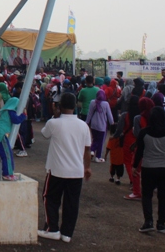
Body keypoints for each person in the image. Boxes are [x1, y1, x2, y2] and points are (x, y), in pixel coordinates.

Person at [38, 92, 92, 243]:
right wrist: (87, 168)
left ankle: (52, 228)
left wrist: (55, 115)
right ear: (75, 106)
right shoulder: (83, 125)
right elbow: (87, 150)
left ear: (58, 106)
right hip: (76, 170)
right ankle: (67, 233)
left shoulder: (54, 123)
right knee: (72, 203)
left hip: (56, 169)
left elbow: (44, 134)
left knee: (50, 198)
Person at [132, 106, 165, 233]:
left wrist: (134, 166)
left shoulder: (144, 132)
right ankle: (161, 224)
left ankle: (148, 222)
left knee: (147, 195)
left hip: (148, 167)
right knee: (163, 196)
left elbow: (139, 152)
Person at [0, 97, 26, 181]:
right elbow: (16, 120)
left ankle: (7, 173)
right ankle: (7, 174)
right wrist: (23, 115)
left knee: (5, 154)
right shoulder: (11, 111)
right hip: (1, 133)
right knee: (7, 155)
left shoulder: (4, 111)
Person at [86, 90, 114, 163]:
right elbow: (109, 114)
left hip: (93, 125)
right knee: (100, 141)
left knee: (95, 139)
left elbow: (89, 113)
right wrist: (112, 123)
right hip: (102, 125)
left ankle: (92, 151)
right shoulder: (106, 104)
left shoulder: (92, 102)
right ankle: (97, 156)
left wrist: (87, 122)